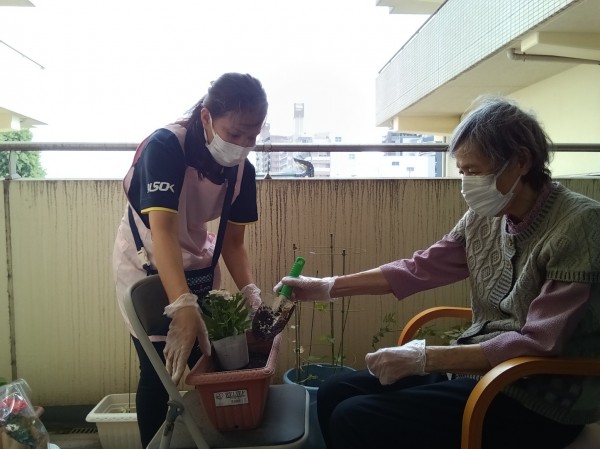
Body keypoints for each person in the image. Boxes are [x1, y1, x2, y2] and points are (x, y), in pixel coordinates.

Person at [276, 96, 600, 449]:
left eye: (474, 171)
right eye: (462, 172)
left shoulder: (579, 224)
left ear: (521, 161)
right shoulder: (485, 217)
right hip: (483, 374)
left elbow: (540, 343)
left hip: (538, 398)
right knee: (335, 391)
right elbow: (420, 268)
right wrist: (326, 286)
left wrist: (425, 357)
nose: (466, 184)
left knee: (354, 416)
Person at [112, 72, 267, 448]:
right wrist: (182, 304)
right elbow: (163, 230)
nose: (243, 146)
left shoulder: (242, 170)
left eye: (252, 137)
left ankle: (209, 434)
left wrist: (250, 292)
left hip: (196, 258)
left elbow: (233, 242)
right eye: (235, 133)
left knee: (208, 360)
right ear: (206, 117)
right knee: (158, 371)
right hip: (147, 257)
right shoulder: (166, 146)